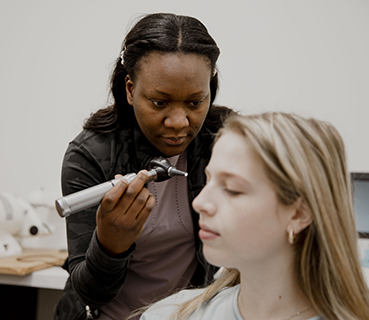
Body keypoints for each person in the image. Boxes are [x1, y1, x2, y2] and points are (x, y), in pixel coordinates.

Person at [53, 12, 234, 320]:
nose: (178, 123)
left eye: (195, 103)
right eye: (159, 103)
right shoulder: (92, 154)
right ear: (130, 89)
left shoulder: (226, 142)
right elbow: (89, 291)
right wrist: (111, 245)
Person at [139, 112, 369, 320]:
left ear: (299, 214)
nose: (199, 203)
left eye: (232, 189)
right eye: (208, 180)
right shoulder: (168, 315)